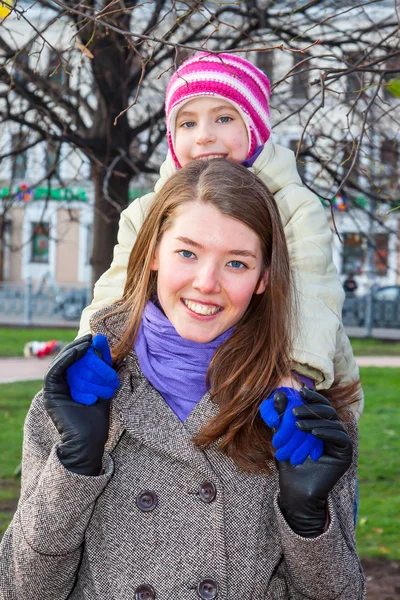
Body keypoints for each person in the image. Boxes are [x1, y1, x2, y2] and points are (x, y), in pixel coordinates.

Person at [0, 160, 365, 598]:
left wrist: (307, 519)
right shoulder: (77, 397)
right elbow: (21, 589)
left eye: (236, 263)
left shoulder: (304, 420)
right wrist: (75, 466)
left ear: (264, 277)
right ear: (153, 252)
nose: (206, 283)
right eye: (187, 253)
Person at [71, 51, 363, 421]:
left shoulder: (293, 205)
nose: (205, 136)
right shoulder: (148, 211)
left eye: (224, 118)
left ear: (254, 128)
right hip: (180, 371)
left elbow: (311, 292)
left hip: (286, 368)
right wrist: (87, 348)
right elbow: (116, 286)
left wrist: (297, 371)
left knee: (317, 455)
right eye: (188, 123)